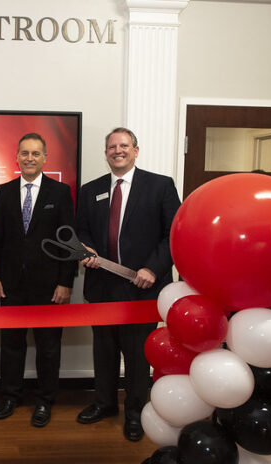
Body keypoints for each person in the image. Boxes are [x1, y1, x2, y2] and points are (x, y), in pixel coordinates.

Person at [75, 127, 181, 442]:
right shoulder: (90, 189)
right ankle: (105, 403)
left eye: (123, 146)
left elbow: (173, 234)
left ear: (135, 150)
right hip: (101, 286)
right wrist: (86, 248)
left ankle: (135, 412)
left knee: (137, 354)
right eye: (111, 147)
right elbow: (82, 229)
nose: (117, 151)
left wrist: (153, 267)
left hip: (142, 287)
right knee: (104, 350)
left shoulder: (160, 186)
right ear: (106, 153)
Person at [0, 133, 77, 428]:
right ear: (16, 156)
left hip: (50, 286)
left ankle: (44, 400)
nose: (29, 158)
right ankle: (10, 396)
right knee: (11, 344)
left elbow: (68, 241)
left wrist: (66, 282)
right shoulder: (4, 191)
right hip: (11, 285)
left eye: (35, 153)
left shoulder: (60, 192)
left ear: (45, 158)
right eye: (24, 153)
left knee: (49, 346)